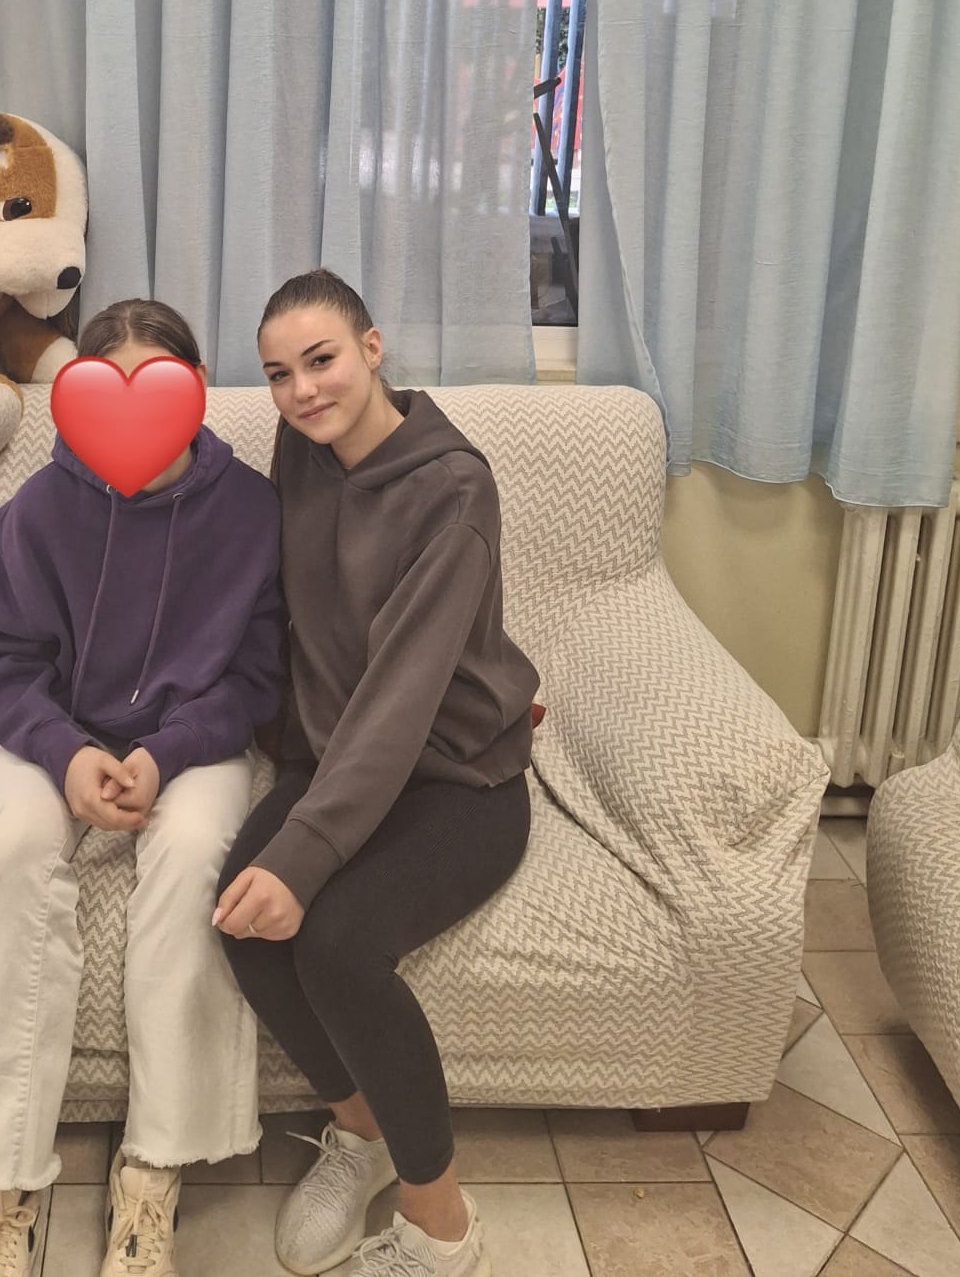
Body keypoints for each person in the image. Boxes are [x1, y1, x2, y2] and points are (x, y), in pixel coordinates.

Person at [0, 298, 285, 1277]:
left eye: (156, 385)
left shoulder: (255, 513)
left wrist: (167, 754)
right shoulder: (36, 511)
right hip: (57, 733)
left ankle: (154, 1169)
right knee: (11, 850)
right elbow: (4, 665)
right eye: (110, 386)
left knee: (196, 854)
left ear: (197, 389)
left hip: (194, 744)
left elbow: (257, 677)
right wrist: (63, 753)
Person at [214, 269, 538, 1277]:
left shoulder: (454, 488)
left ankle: (442, 1229)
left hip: (458, 778)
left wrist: (307, 853)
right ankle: (361, 1137)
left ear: (372, 348)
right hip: (336, 754)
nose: (302, 390)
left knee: (337, 945)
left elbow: (401, 701)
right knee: (241, 920)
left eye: (321, 360)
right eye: (279, 374)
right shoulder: (301, 451)